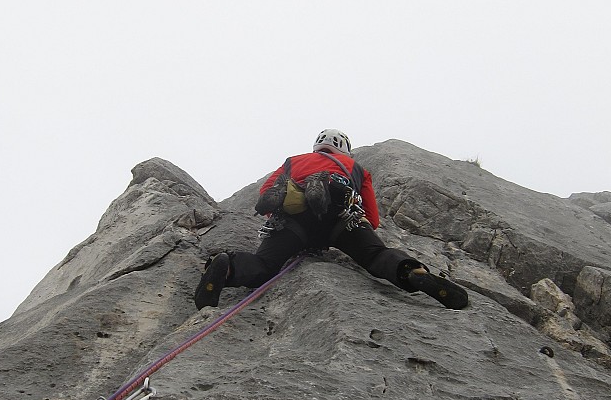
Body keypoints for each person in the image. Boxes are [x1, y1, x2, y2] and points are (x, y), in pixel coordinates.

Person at [194, 129, 469, 311]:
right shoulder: (356, 167)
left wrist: (283, 224)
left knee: (265, 266)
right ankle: (413, 273)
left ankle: (227, 267)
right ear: (345, 150)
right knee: (376, 257)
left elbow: (267, 193)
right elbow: (372, 217)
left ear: (316, 147)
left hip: (292, 223)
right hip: (342, 220)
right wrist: (359, 234)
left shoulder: (293, 161)